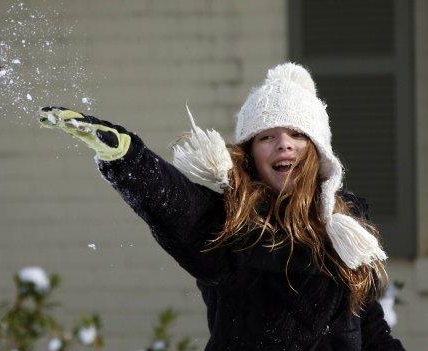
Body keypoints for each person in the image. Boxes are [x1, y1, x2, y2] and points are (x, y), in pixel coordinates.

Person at [38, 62, 405, 350]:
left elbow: (368, 328)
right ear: (250, 152)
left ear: (318, 150)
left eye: (297, 134)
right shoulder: (231, 226)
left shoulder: (346, 231)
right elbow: (176, 203)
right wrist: (126, 156)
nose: (284, 145)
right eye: (267, 136)